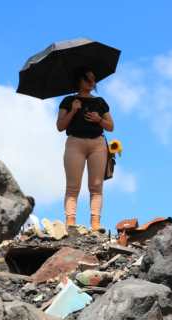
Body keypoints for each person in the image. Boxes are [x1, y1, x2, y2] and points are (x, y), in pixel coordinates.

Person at [56, 67, 114, 231]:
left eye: (93, 79)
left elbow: (111, 126)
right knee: (73, 186)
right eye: (88, 79)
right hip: (75, 142)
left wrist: (98, 119)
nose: (92, 82)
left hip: (97, 143)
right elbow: (60, 126)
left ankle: (95, 224)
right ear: (79, 81)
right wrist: (73, 110)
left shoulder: (100, 102)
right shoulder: (68, 101)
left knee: (96, 186)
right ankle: (71, 222)